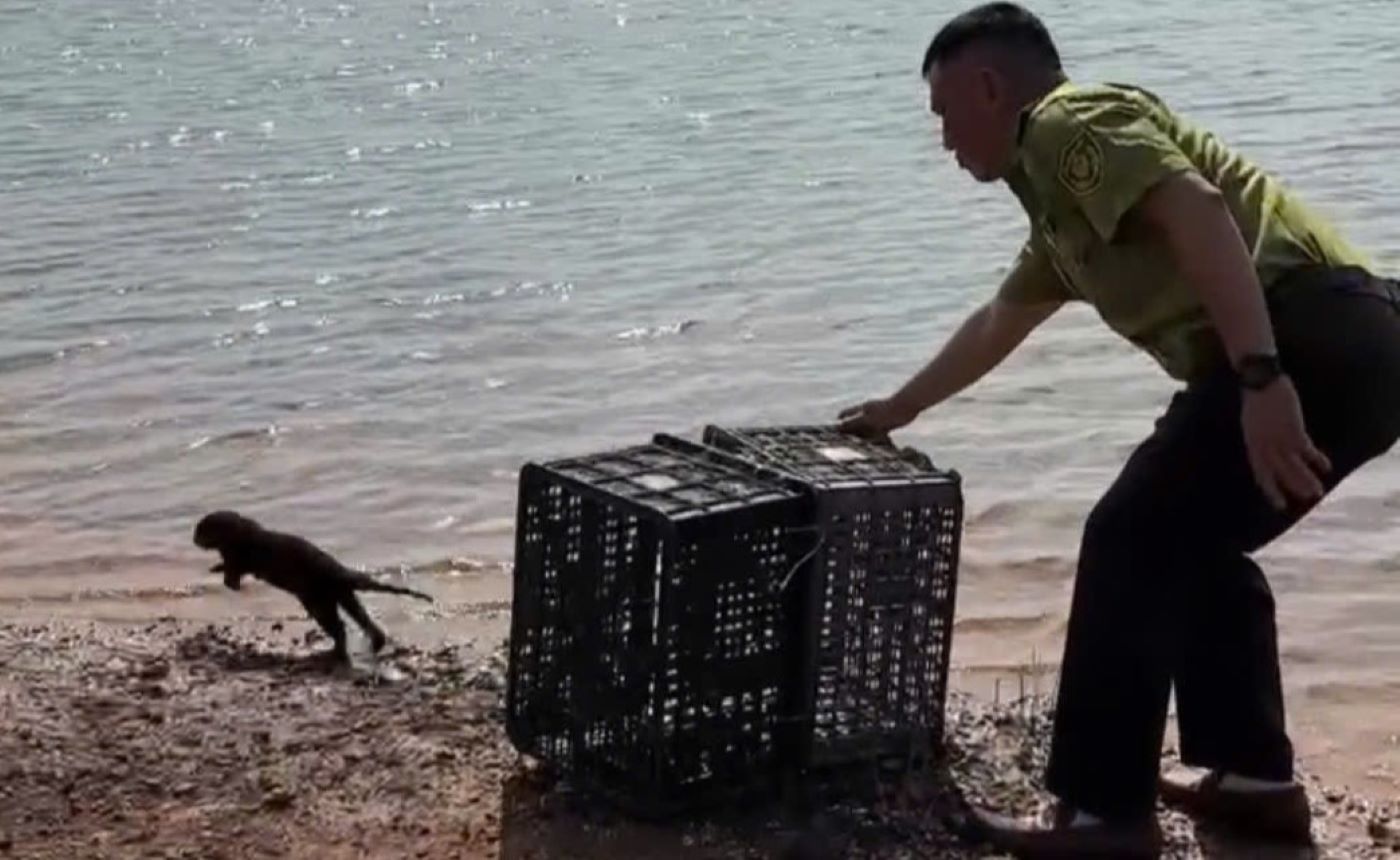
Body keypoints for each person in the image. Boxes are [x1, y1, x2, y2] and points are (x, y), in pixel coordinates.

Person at [837, 3, 1400, 858]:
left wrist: (1261, 376)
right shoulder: (1062, 219)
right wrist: (897, 409)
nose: (945, 142)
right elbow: (998, 319)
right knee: (1190, 542)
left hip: (1310, 330)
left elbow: (1202, 210)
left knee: (1128, 533)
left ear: (991, 88)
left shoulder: (1068, 123)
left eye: (946, 116)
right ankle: (1257, 785)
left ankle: (1107, 818)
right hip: (1352, 348)